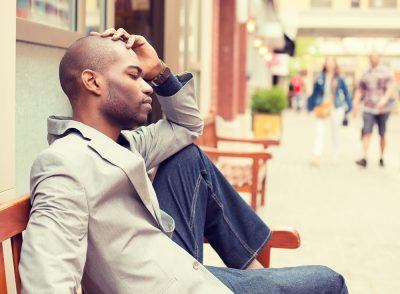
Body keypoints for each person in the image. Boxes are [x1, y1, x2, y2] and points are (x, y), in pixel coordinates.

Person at [19, 28, 348, 294]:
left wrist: (160, 71)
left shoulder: (124, 144)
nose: (147, 86)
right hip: (164, 284)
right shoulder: (64, 165)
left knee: (187, 157)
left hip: (172, 263)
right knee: (330, 282)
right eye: (134, 75)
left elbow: (187, 126)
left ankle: (253, 274)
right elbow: (47, 278)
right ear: (93, 82)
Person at [307, 57, 352, 166]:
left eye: (332, 63)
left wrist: (349, 107)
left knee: (335, 132)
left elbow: (346, 93)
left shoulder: (340, 78)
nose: (330, 65)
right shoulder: (320, 77)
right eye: (328, 63)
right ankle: (316, 155)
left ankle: (335, 155)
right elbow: (315, 93)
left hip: (336, 107)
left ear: (335, 65)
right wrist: (310, 107)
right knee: (319, 131)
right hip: (322, 107)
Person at [352, 53, 394, 168]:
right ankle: (364, 157)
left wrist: (384, 100)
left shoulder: (386, 72)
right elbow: (360, 90)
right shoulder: (365, 73)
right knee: (366, 132)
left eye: (375, 57)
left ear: (379, 59)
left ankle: (381, 156)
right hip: (368, 108)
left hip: (382, 110)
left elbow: (390, 89)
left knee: (382, 134)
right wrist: (355, 104)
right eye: (371, 57)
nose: (373, 59)